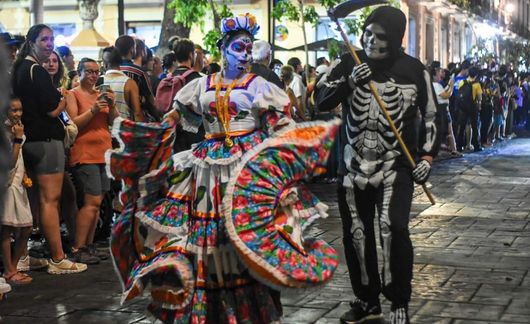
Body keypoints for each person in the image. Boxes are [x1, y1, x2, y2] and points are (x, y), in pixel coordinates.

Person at [108, 13, 339, 323]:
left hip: (246, 168)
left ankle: (247, 307)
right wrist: (158, 134)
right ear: (224, 49)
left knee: (245, 234)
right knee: (206, 238)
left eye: (248, 48)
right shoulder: (203, 83)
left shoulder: (258, 85)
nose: (245, 54)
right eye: (239, 48)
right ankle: (211, 308)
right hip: (206, 168)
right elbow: (175, 114)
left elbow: (276, 124)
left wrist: (292, 151)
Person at [316, 7, 439, 324]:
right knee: (356, 235)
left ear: (396, 40)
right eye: (367, 33)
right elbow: (320, 100)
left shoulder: (414, 70)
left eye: (379, 36)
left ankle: (399, 298)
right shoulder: (349, 62)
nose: (371, 41)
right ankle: (366, 299)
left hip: (395, 168)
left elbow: (431, 116)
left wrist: (426, 157)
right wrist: (347, 83)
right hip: (352, 168)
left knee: (393, 229)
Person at [11, 24, 87, 275]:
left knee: (34, 201)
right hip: (45, 141)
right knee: (49, 201)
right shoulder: (37, 71)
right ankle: (57, 257)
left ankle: (22, 256)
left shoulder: (19, 69)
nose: (49, 44)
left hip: (28, 141)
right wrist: (63, 99)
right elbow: (53, 110)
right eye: (44, 39)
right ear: (32, 42)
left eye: (52, 39)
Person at [66, 58, 119, 264]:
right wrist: (93, 110)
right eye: (89, 71)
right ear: (79, 73)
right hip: (84, 153)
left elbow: (114, 122)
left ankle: (89, 245)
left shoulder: (102, 95)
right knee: (91, 201)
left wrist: (112, 106)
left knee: (98, 203)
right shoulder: (73, 94)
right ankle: (78, 247)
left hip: (103, 152)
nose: (93, 75)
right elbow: (72, 124)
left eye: (97, 72)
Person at [1, 96, 34, 285]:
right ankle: (9, 269)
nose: (17, 114)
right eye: (13, 110)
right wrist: (18, 139)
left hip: (19, 181)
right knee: (7, 228)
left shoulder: (17, 127)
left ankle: (13, 266)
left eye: (20, 110)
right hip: (8, 183)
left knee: (27, 226)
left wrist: (26, 175)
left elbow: (19, 156)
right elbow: (10, 161)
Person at [116, 35, 158, 121]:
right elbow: (150, 100)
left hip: (113, 119)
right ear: (132, 49)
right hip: (133, 120)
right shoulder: (139, 72)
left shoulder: (110, 71)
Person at [102, 47, 143, 121]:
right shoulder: (129, 83)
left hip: (102, 129)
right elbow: (137, 113)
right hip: (122, 129)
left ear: (104, 64)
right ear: (120, 61)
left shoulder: (98, 81)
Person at [431, 62, 460, 157]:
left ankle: (451, 149)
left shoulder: (436, 85)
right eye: (439, 72)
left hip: (440, 109)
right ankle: (453, 150)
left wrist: (449, 85)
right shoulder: (436, 85)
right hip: (443, 110)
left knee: (444, 131)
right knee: (449, 131)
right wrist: (451, 85)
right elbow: (446, 95)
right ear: (435, 74)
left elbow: (444, 91)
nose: (441, 74)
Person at [456, 66, 483, 152]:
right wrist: (479, 106)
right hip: (472, 108)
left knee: (462, 127)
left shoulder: (462, 82)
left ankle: (459, 146)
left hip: (463, 108)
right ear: (476, 75)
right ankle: (476, 146)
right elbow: (479, 98)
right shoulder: (477, 85)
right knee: (475, 127)